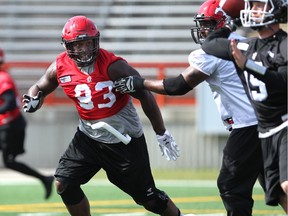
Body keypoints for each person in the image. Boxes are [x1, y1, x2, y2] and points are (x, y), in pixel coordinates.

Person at [21, 15, 196, 216]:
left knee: (148, 199)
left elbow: (145, 94)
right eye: (78, 45)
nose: (84, 49)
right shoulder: (60, 66)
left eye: (88, 43)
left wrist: (161, 132)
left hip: (123, 139)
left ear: (96, 41)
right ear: (68, 46)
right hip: (88, 136)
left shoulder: (114, 66)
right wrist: (34, 100)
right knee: (64, 183)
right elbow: (39, 87)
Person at [114, 0, 267, 215]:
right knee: (275, 187)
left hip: (248, 125)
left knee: (230, 186)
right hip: (268, 122)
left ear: (223, 23)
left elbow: (177, 86)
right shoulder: (245, 42)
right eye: (202, 24)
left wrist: (140, 83)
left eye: (209, 24)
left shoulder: (212, 51)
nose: (203, 30)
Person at [200, 0, 287, 212]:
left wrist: (247, 65)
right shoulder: (249, 46)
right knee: (278, 193)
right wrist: (232, 24)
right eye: (251, 6)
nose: (253, 11)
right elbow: (209, 44)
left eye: (259, 6)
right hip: (265, 132)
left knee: (286, 184)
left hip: (285, 125)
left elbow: (284, 81)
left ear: (277, 8)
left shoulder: (284, 45)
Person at [0, 48, 54, 199]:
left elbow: (10, 103)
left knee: (9, 161)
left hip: (10, 126)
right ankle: (45, 179)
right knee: (9, 162)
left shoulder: (3, 77)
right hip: (6, 125)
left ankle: (45, 179)